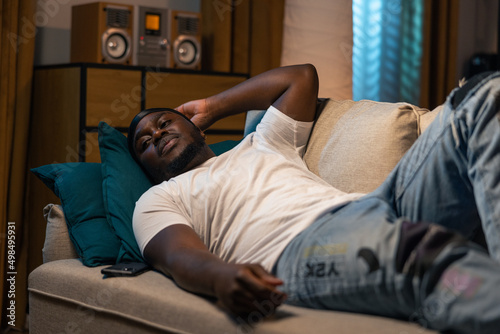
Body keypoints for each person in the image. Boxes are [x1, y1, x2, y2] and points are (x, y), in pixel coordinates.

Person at [128, 64, 500, 333]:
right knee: (426, 256)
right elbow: (180, 257)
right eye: (145, 142)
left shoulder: (263, 142)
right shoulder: (158, 198)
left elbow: (300, 76)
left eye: (165, 122)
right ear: (145, 166)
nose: (157, 134)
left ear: (195, 128)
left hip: (376, 203)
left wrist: (211, 106)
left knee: (483, 96)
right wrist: (222, 277)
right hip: (300, 248)